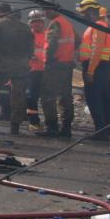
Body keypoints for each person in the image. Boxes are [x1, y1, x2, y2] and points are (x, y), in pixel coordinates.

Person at [78, 0, 110, 139]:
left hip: (96, 66)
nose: (83, 16)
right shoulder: (99, 26)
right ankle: (103, 130)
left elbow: (97, 50)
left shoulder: (98, 26)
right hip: (99, 67)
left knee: (94, 99)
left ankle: (101, 132)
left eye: (84, 13)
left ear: (90, 12)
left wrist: (90, 71)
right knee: (102, 98)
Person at [33, 7, 79, 137]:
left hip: (55, 65)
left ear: (53, 10)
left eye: (46, 10)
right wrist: (68, 52)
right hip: (67, 64)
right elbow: (78, 39)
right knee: (65, 97)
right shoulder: (67, 23)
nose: (45, 13)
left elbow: (52, 43)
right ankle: (66, 128)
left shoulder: (55, 23)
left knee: (48, 96)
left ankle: (52, 127)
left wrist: (48, 60)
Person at [0, 2, 32, 133]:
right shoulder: (25, 28)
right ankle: (15, 127)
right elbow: (31, 50)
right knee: (18, 96)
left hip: (0, 65)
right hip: (20, 66)